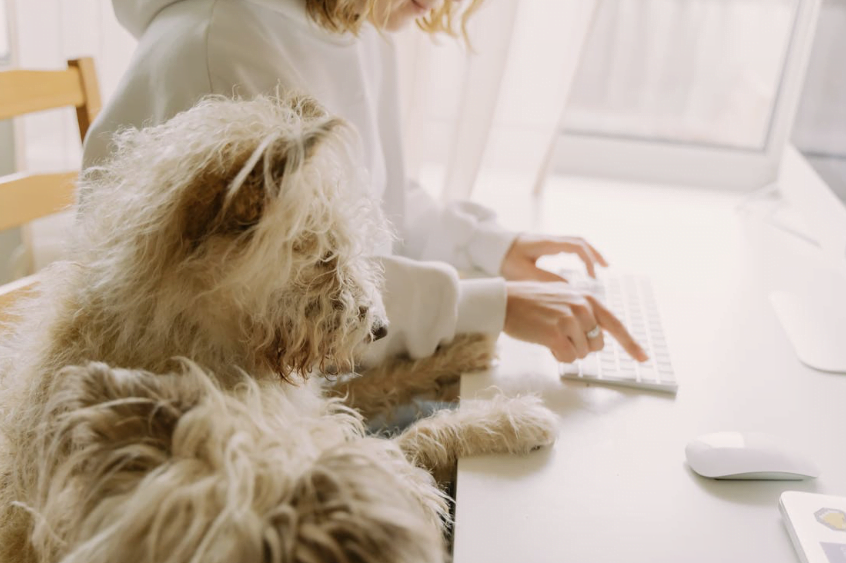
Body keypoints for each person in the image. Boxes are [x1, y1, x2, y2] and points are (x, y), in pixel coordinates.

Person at [82, 0, 648, 367]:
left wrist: (493, 248)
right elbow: (294, 301)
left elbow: (379, 204)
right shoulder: (225, 42)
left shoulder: (357, 29)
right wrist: (492, 306)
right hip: (202, 405)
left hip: (309, 375)